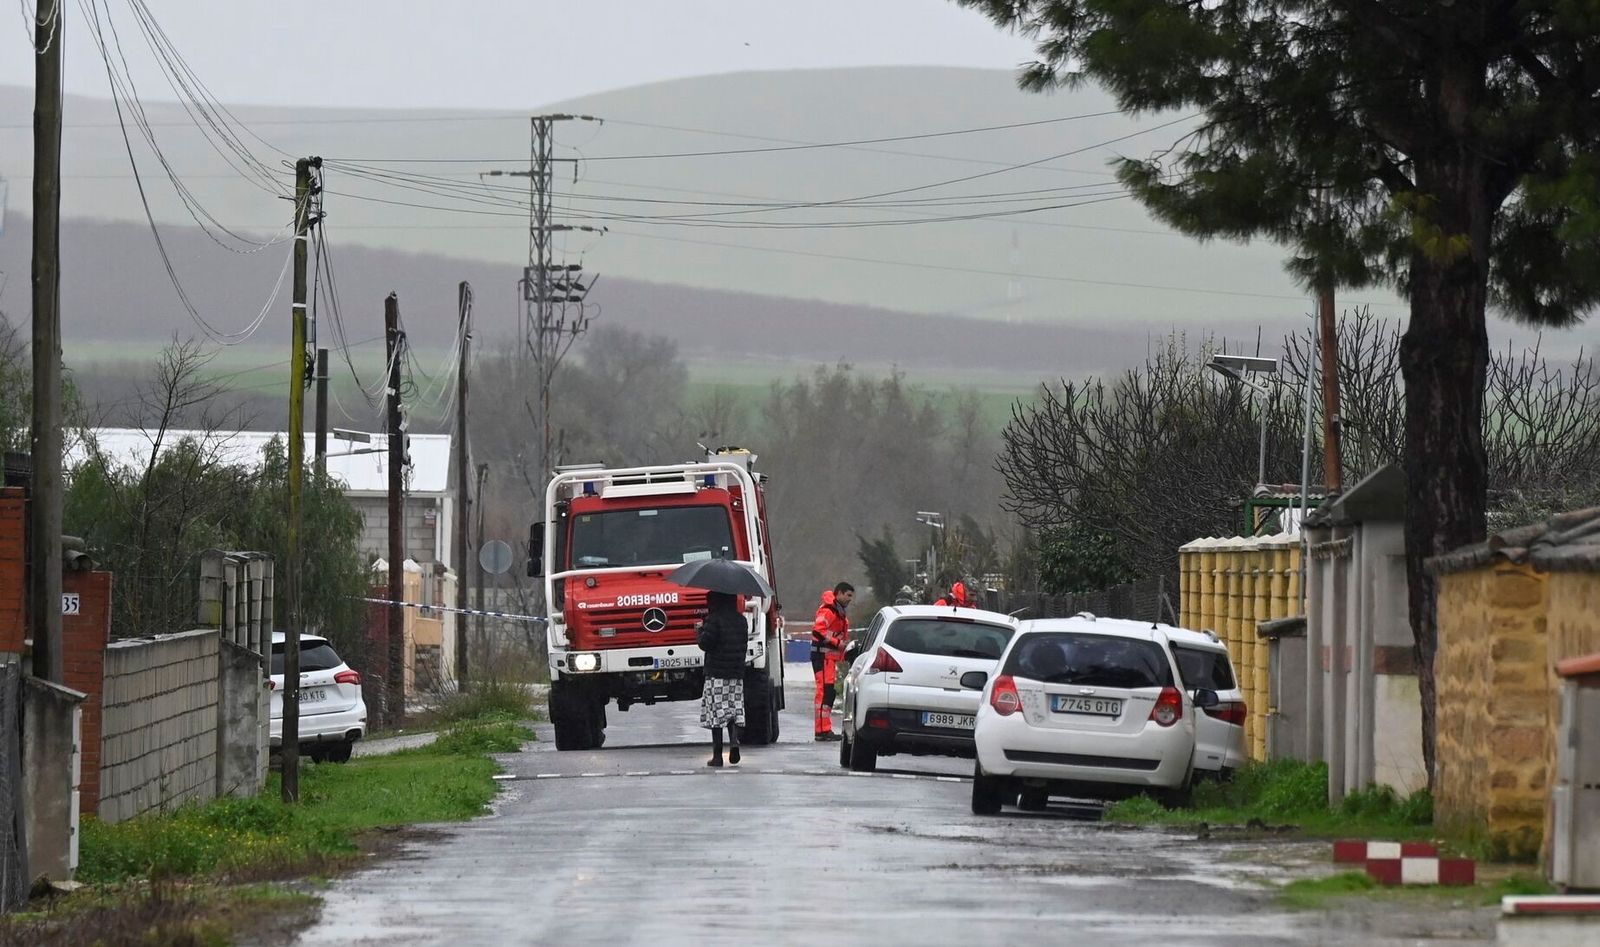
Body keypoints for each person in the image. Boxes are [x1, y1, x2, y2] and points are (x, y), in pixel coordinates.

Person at [697, 591, 748, 766]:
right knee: (732, 709)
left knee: (716, 714)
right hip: (736, 674)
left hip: (716, 674)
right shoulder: (742, 620)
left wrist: (700, 631)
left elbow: (705, 644)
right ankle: (734, 741)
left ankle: (717, 756)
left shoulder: (713, 619)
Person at [811, 582, 853, 741]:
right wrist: (837, 643)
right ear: (839, 593)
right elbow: (818, 630)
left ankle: (824, 729)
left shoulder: (838, 612)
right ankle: (821, 730)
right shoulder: (829, 611)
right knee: (823, 693)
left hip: (828, 658)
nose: (850, 599)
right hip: (822, 657)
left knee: (828, 693)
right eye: (848, 595)